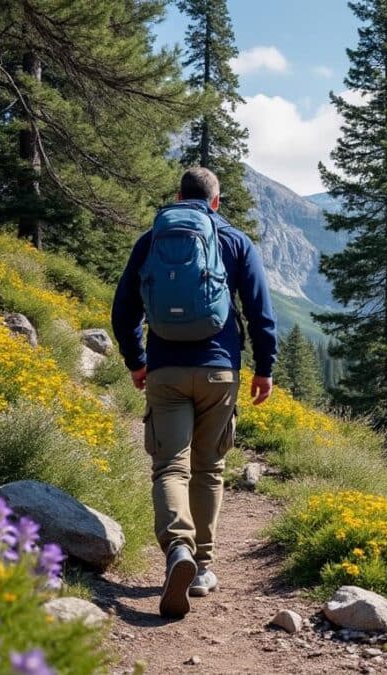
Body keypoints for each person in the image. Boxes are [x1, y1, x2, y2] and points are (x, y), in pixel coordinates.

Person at [111, 167, 278, 618]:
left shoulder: (152, 240)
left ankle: (177, 550)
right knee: (209, 468)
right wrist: (265, 369)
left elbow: (124, 309)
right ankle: (202, 566)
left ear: (178, 197)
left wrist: (137, 360)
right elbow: (260, 311)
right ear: (215, 201)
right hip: (219, 371)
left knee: (170, 466)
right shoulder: (235, 241)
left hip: (165, 369)